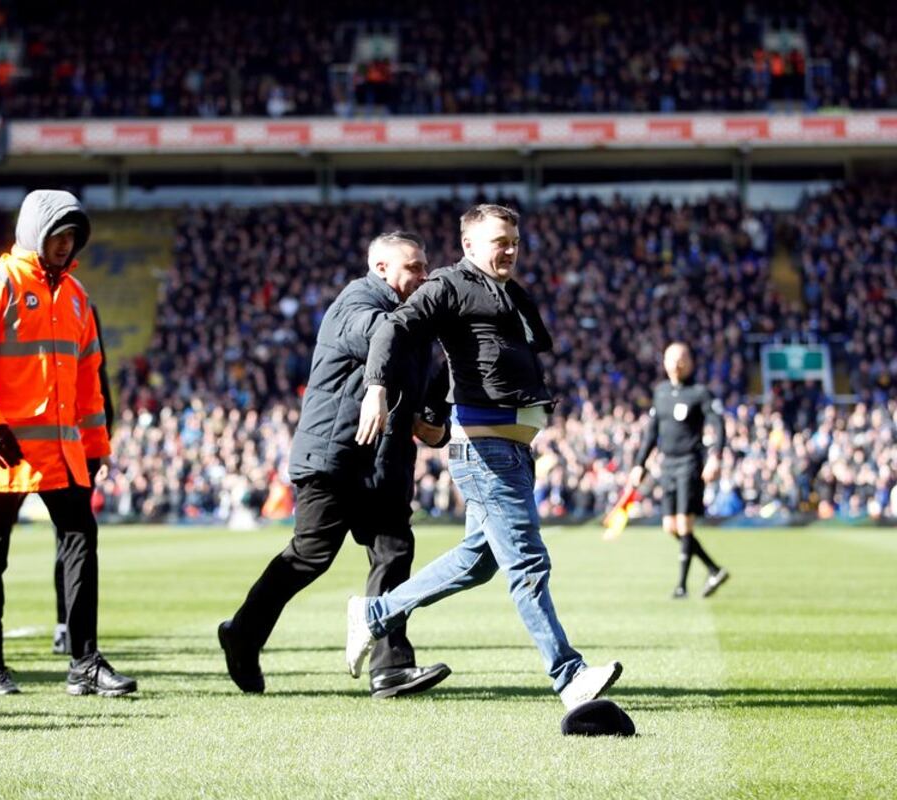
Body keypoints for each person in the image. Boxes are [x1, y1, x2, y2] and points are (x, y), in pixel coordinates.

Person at [351, 204, 623, 710]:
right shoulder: (448, 285)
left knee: (477, 563)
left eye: (515, 241)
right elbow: (393, 329)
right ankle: (569, 676)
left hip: (513, 448)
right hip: (484, 449)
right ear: (469, 245)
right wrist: (377, 389)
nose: (511, 250)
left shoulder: (510, 292)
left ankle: (374, 614)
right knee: (528, 561)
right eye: (500, 241)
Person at [219, 231, 453, 698]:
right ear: (381, 269)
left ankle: (390, 667)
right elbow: (382, 336)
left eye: (426, 267)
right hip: (335, 455)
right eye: (413, 267)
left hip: (385, 462)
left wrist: (435, 425)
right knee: (310, 556)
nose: (423, 276)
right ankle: (242, 633)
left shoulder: (416, 324)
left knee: (393, 552)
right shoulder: (357, 302)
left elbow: (429, 400)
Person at [0, 189, 135, 697]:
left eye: (72, 236)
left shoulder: (76, 296)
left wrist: (96, 445)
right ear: (33, 233)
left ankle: (84, 663)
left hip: (62, 452)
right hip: (0, 448)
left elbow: (90, 378)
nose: (65, 244)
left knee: (81, 543)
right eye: (57, 234)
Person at [629, 342, 730, 599]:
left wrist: (715, 457)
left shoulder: (700, 393)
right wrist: (639, 464)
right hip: (667, 465)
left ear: (691, 362)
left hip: (690, 463)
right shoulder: (661, 392)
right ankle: (714, 569)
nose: (676, 363)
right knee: (670, 526)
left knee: (684, 523)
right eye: (671, 358)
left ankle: (681, 587)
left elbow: (719, 424)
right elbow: (651, 432)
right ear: (664, 362)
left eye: (682, 358)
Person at [53, 302, 114, 656]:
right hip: (13, 437)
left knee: (72, 537)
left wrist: (101, 442)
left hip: (71, 442)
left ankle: (69, 631)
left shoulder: (81, 304)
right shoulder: (2, 291)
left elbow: (95, 374)